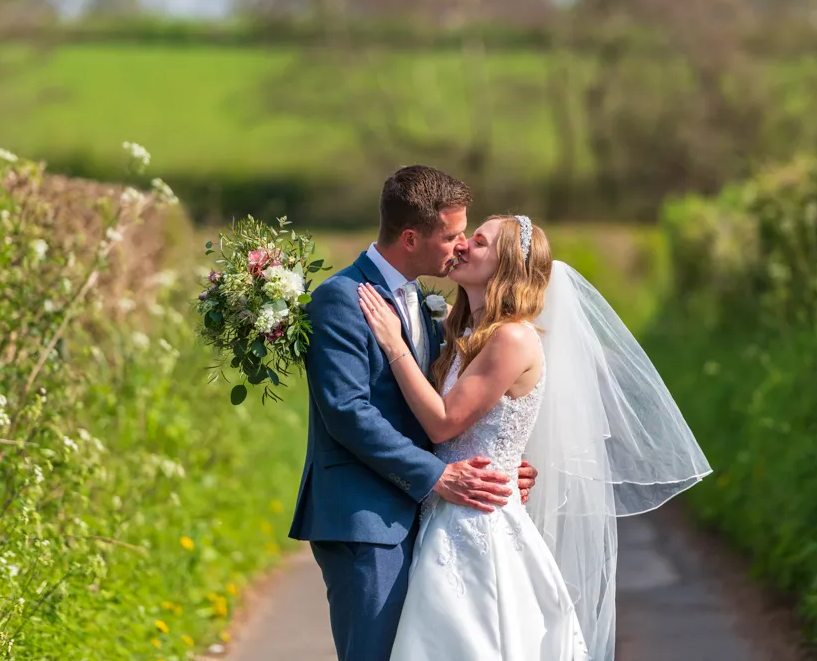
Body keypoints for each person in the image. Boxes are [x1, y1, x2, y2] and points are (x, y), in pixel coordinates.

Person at [358, 214, 712, 660]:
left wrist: (395, 347)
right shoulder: (465, 333)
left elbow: (444, 421)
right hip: (448, 512)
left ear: (506, 266)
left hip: (477, 524)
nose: (463, 245)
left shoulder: (511, 339)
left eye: (480, 243)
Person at [289, 166, 540, 661]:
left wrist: (501, 464)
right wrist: (437, 475)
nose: (461, 245)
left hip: (422, 516)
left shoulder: (427, 305)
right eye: (451, 235)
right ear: (410, 238)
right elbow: (347, 412)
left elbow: (448, 405)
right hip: (367, 520)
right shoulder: (340, 300)